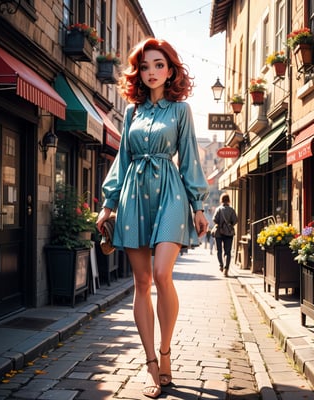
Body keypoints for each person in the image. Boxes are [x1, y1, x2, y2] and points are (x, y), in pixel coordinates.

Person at [96, 38, 209, 398]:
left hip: (171, 192)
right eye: (145, 66)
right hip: (134, 195)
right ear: (138, 72)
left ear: (171, 69)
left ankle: (166, 351)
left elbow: (190, 157)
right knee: (142, 282)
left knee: (162, 274)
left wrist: (199, 205)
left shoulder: (181, 111)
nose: (151, 72)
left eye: (159, 65)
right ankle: (150, 364)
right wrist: (108, 204)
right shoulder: (131, 112)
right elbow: (123, 160)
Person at [213, 193, 238, 277]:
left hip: (219, 233)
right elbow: (235, 220)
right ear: (228, 200)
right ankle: (226, 268)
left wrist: (220, 225)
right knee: (227, 252)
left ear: (221, 200)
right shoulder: (232, 210)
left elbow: (214, 219)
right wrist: (229, 225)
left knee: (219, 250)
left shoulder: (218, 209)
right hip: (229, 233)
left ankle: (221, 265)